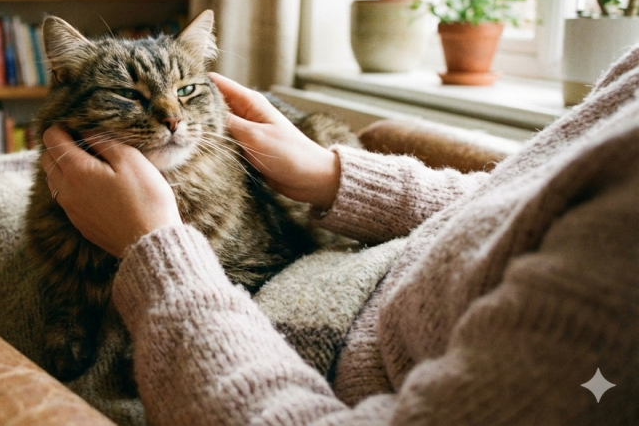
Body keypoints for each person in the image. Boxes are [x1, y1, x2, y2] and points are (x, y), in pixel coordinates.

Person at [38, 47, 639, 424]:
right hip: (389, 250)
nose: (170, 115)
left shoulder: (607, 326)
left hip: (308, 341)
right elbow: (535, 195)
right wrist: (332, 177)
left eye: (185, 94)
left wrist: (157, 247)